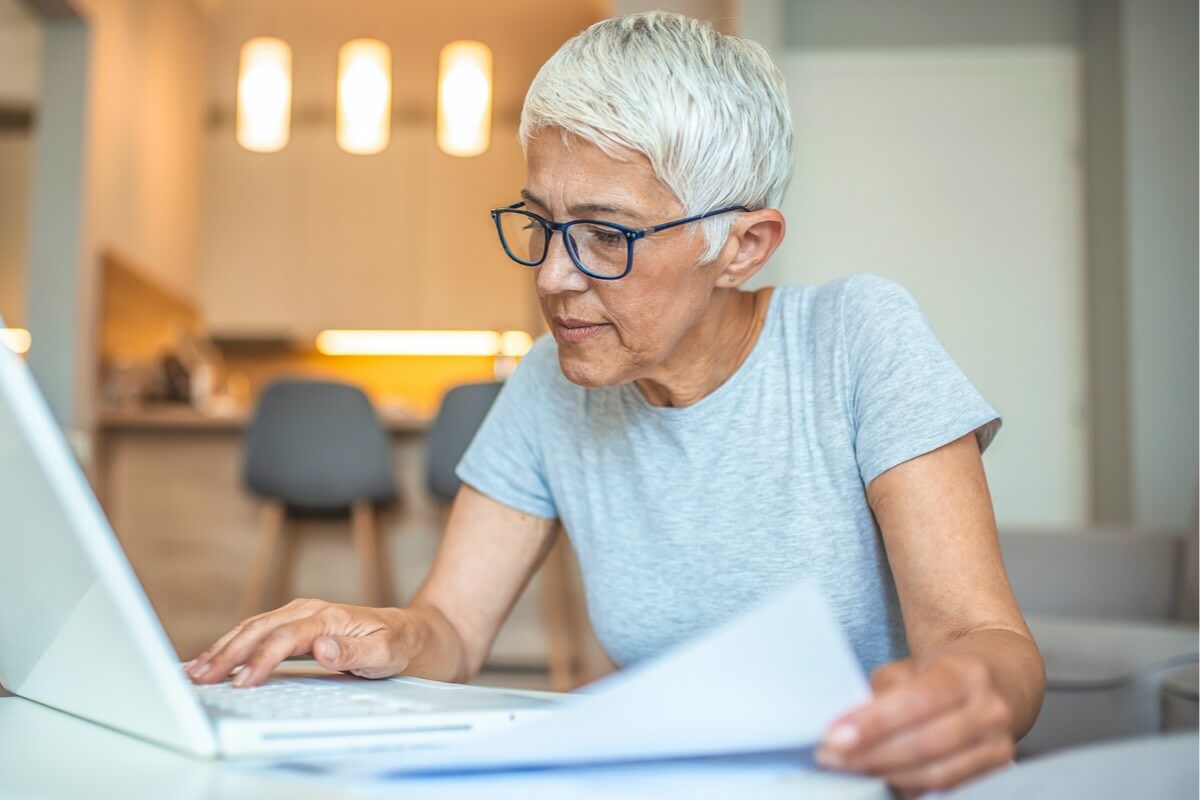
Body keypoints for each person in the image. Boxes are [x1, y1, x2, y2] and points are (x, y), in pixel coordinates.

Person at [187, 11, 1044, 794]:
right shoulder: (547, 382)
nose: (554, 277)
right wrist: (385, 635)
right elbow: (449, 623)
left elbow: (982, 636)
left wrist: (967, 692)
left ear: (742, 245)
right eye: (540, 225)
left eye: (607, 235)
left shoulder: (858, 338)